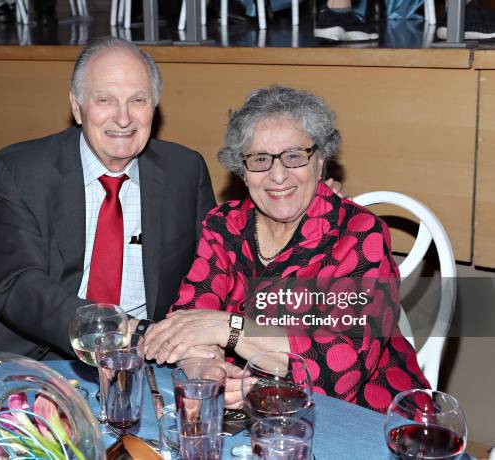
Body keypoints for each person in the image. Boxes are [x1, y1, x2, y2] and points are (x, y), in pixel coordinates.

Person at [144, 85, 430, 413]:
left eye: (294, 157)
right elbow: (190, 317)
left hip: (367, 415)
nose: (277, 175)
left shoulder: (359, 234)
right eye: (260, 159)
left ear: (320, 161)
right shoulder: (224, 225)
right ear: (243, 170)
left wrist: (229, 328)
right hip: (257, 406)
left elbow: (341, 368)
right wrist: (207, 370)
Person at [0, 37, 217, 360]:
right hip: (38, 354)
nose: (123, 118)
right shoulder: (20, 171)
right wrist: (120, 329)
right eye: (104, 100)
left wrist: (197, 343)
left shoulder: (185, 171)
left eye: (138, 100)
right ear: (77, 107)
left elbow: (210, 273)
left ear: (154, 106)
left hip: (149, 358)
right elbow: (19, 286)